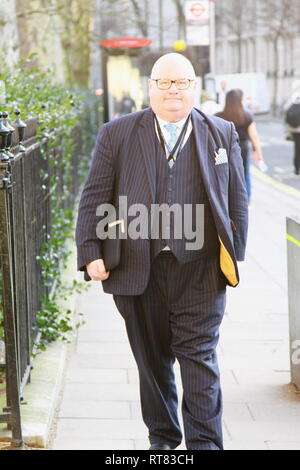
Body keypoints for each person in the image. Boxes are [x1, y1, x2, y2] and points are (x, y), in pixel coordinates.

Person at [75, 53, 248, 450]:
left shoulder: (221, 132)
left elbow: (236, 199)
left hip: (201, 268)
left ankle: (205, 445)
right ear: (150, 87)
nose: (174, 90)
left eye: (182, 82)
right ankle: (163, 443)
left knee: (200, 359)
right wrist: (90, 250)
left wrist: (232, 257)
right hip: (138, 269)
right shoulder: (116, 133)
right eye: (165, 82)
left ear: (194, 87)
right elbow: (94, 196)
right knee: (152, 365)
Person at [216, 89, 265, 203]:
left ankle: (227, 198)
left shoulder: (219, 116)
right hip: (242, 149)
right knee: (244, 173)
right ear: (240, 100)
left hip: (223, 150)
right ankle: (245, 200)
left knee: (225, 174)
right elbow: (254, 136)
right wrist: (258, 152)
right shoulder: (246, 116)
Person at [284, 80, 300, 175]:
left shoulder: (293, 97)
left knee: (297, 148)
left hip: (294, 129)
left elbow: (286, 109)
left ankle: (296, 168)